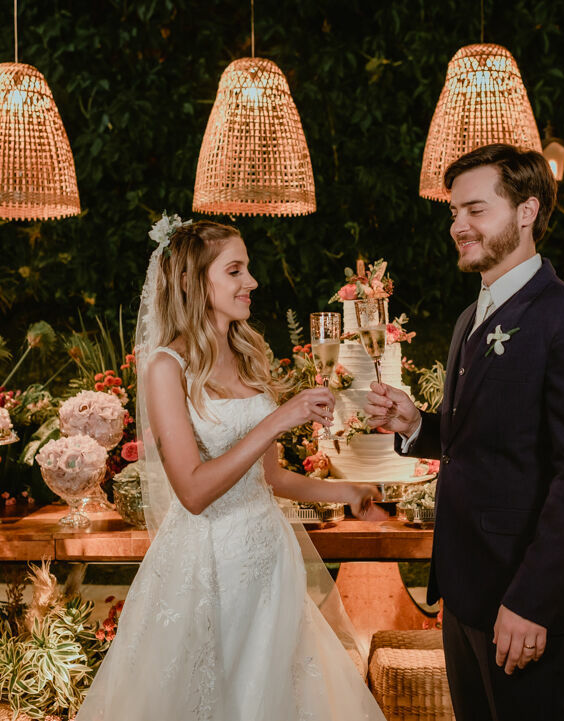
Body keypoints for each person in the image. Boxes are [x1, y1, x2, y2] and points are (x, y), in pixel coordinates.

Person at [76, 218, 387, 721]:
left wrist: (347, 491)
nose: (252, 282)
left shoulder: (247, 353)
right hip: (209, 565)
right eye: (235, 270)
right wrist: (278, 419)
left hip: (269, 560)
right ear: (192, 281)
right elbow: (193, 492)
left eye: (248, 269)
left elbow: (272, 478)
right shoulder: (166, 367)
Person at [365, 144, 564, 721]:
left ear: (527, 211)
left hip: (527, 603)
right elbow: (486, 442)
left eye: (476, 210)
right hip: (467, 594)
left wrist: (530, 602)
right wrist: (416, 426)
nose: (458, 226)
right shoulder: (469, 317)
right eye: (454, 212)